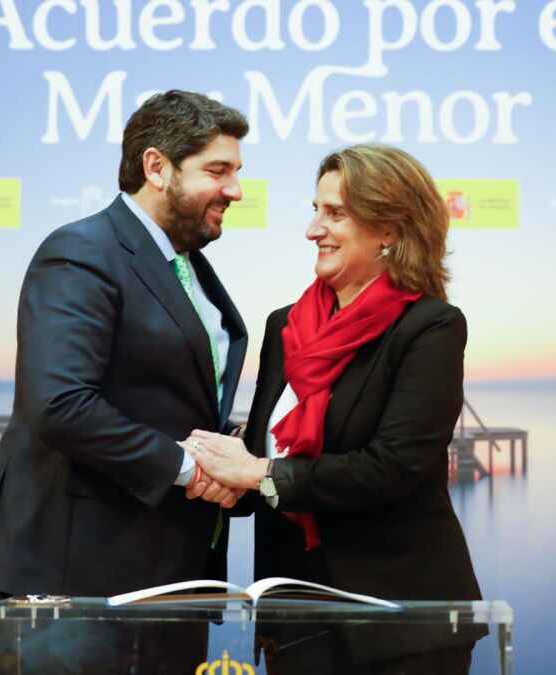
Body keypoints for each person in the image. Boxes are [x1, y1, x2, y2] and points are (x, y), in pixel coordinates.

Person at [186, 144, 484, 673]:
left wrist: (256, 472)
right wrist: (221, 468)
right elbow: (269, 456)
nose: (312, 230)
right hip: (294, 619)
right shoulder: (284, 325)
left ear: (388, 230)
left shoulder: (431, 328)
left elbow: (391, 469)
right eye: (315, 210)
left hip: (399, 625)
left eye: (335, 214)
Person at [0, 90, 251, 606]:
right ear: (157, 167)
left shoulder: (188, 267)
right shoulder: (81, 251)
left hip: (166, 569)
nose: (236, 190)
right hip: (75, 576)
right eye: (218, 171)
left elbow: (170, 399)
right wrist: (193, 469)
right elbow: (61, 404)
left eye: (236, 172)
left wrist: (234, 447)